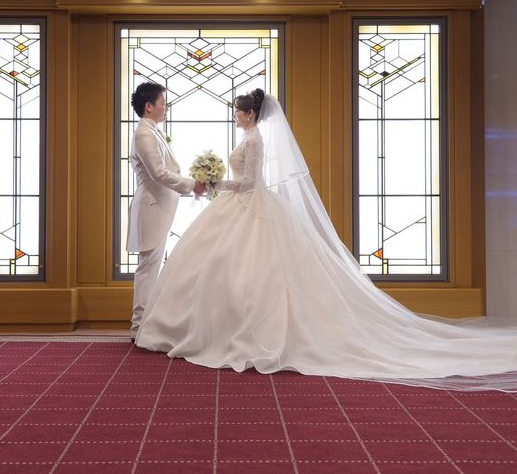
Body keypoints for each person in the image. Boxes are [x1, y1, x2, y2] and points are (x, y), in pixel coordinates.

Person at [136, 88, 517, 391]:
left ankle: (241, 332)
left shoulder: (254, 141)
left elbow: (250, 182)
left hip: (249, 202)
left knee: (249, 268)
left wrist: (218, 183)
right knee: (226, 267)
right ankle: (215, 326)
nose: (235, 116)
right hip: (239, 206)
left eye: (238, 111)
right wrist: (213, 183)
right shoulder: (248, 137)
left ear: (250, 114)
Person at [127, 82, 205, 339]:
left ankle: (145, 324)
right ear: (149, 106)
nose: (166, 107)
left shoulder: (152, 131)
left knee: (152, 265)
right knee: (148, 267)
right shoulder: (144, 134)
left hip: (160, 206)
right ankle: (139, 327)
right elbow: (158, 173)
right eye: (163, 103)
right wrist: (192, 184)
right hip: (151, 208)